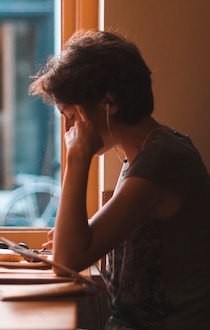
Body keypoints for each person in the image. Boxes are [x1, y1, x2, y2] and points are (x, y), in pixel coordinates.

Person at [29, 29, 210, 329]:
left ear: (108, 102)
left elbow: (66, 260)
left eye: (71, 116)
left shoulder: (162, 161)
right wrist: (69, 236)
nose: (69, 131)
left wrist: (77, 158)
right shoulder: (145, 154)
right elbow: (77, 244)